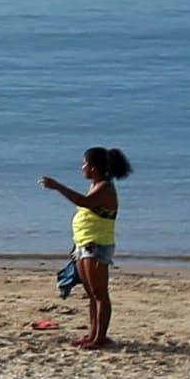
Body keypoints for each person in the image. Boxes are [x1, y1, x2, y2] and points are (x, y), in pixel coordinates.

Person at [40, 147, 130, 349]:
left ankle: (100, 337)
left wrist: (58, 187)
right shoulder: (95, 185)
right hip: (84, 244)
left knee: (100, 294)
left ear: (94, 167)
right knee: (91, 294)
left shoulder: (105, 188)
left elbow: (85, 202)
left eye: (85, 164)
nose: (82, 167)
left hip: (97, 246)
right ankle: (93, 333)